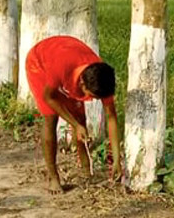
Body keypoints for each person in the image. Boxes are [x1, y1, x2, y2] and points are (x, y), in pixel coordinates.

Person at [24, 36, 122, 193]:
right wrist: (75, 125)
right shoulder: (61, 67)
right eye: (93, 96)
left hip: (67, 57)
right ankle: (53, 177)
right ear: (82, 84)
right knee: (51, 117)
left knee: (80, 117)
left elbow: (111, 117)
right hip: (39, 62)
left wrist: (117, 160)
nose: (95, 100)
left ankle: (86, 172)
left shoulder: (101, 77)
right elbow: (49, 98)